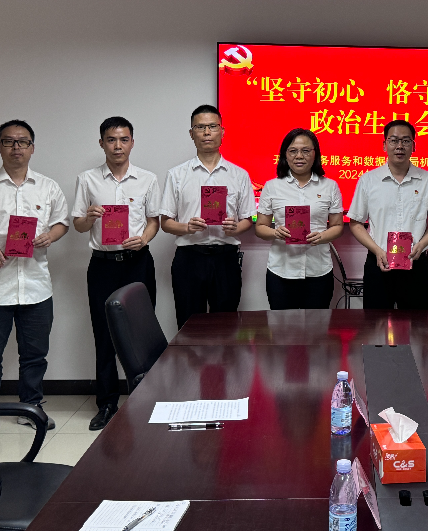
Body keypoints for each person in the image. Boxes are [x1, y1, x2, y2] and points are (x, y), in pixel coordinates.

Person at [0, 120, 69, 440]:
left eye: (23, 142)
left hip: (36, 286)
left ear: (33, 148)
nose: (16, 147)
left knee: (34, 355)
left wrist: (50, 236)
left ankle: (30, 408)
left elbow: (62, 223)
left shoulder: (48, 187)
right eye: (9, 141)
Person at [72, 116, 160, 430]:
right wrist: (89, 217)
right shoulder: (87, 179)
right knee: (104, 334)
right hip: (102, 266)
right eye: (111, 140)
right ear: (102, 143)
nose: (118, 146)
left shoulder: (147, 179)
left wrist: (144, 238)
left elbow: (154, 221)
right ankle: (107, 403)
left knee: (142, 333)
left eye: (123, 139)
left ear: (132, 142)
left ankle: (145, 399)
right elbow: (78, 224)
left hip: (138, 262)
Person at [159, 105, 253, 328]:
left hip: (226, 259)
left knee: (227, 326)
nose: (207, 132)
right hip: (189, 259)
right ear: (191, 133)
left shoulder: (239, 175)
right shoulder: (176, 175)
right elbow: (165, 222)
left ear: (222, 131)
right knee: (188, 326)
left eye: (212, 126)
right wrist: (187, 227)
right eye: (200, 127)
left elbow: (248, 220)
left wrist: (235, 227)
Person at [348, 120, 428, 309]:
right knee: (375, 322)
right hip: (379, 261)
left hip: (415, 263)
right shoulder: (368, 180)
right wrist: (377, 250)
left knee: (416, 323)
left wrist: (421, 245)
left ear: (414, 146)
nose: (399, 146)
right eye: (393, 140)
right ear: (384, 145)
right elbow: (355, 222)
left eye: (405, 141)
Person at [255, 128, 344, 309]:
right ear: (285, 155)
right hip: (281, 270)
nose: (299, 156)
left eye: (305, 151)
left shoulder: (330, 186)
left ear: (315, 154)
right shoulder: (272, 187)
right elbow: (260, 227)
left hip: (319, 269)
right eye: (293, 151)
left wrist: (322, 236)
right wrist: (275, 233)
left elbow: (337, 226)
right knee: (281, 325)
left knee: (318, 324)